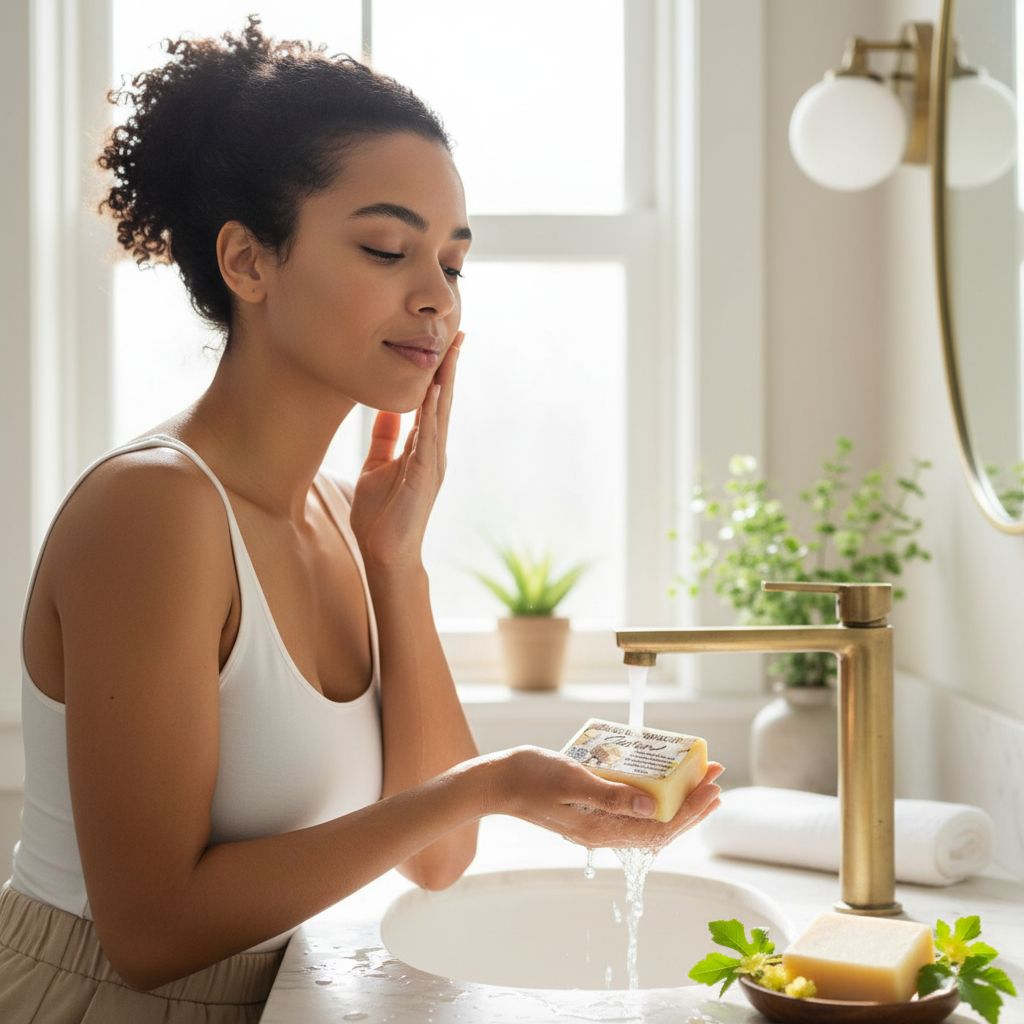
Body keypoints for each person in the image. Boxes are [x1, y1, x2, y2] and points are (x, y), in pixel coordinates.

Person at [0, 17, 723, 1022]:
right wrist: (492, 783)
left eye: (454, 263)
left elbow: (435, 858)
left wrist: (398, 564)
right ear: (249, 263)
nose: (435, 297)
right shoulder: (153, 510)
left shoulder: (343, 520)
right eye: (387, 248)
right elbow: (151, 934)